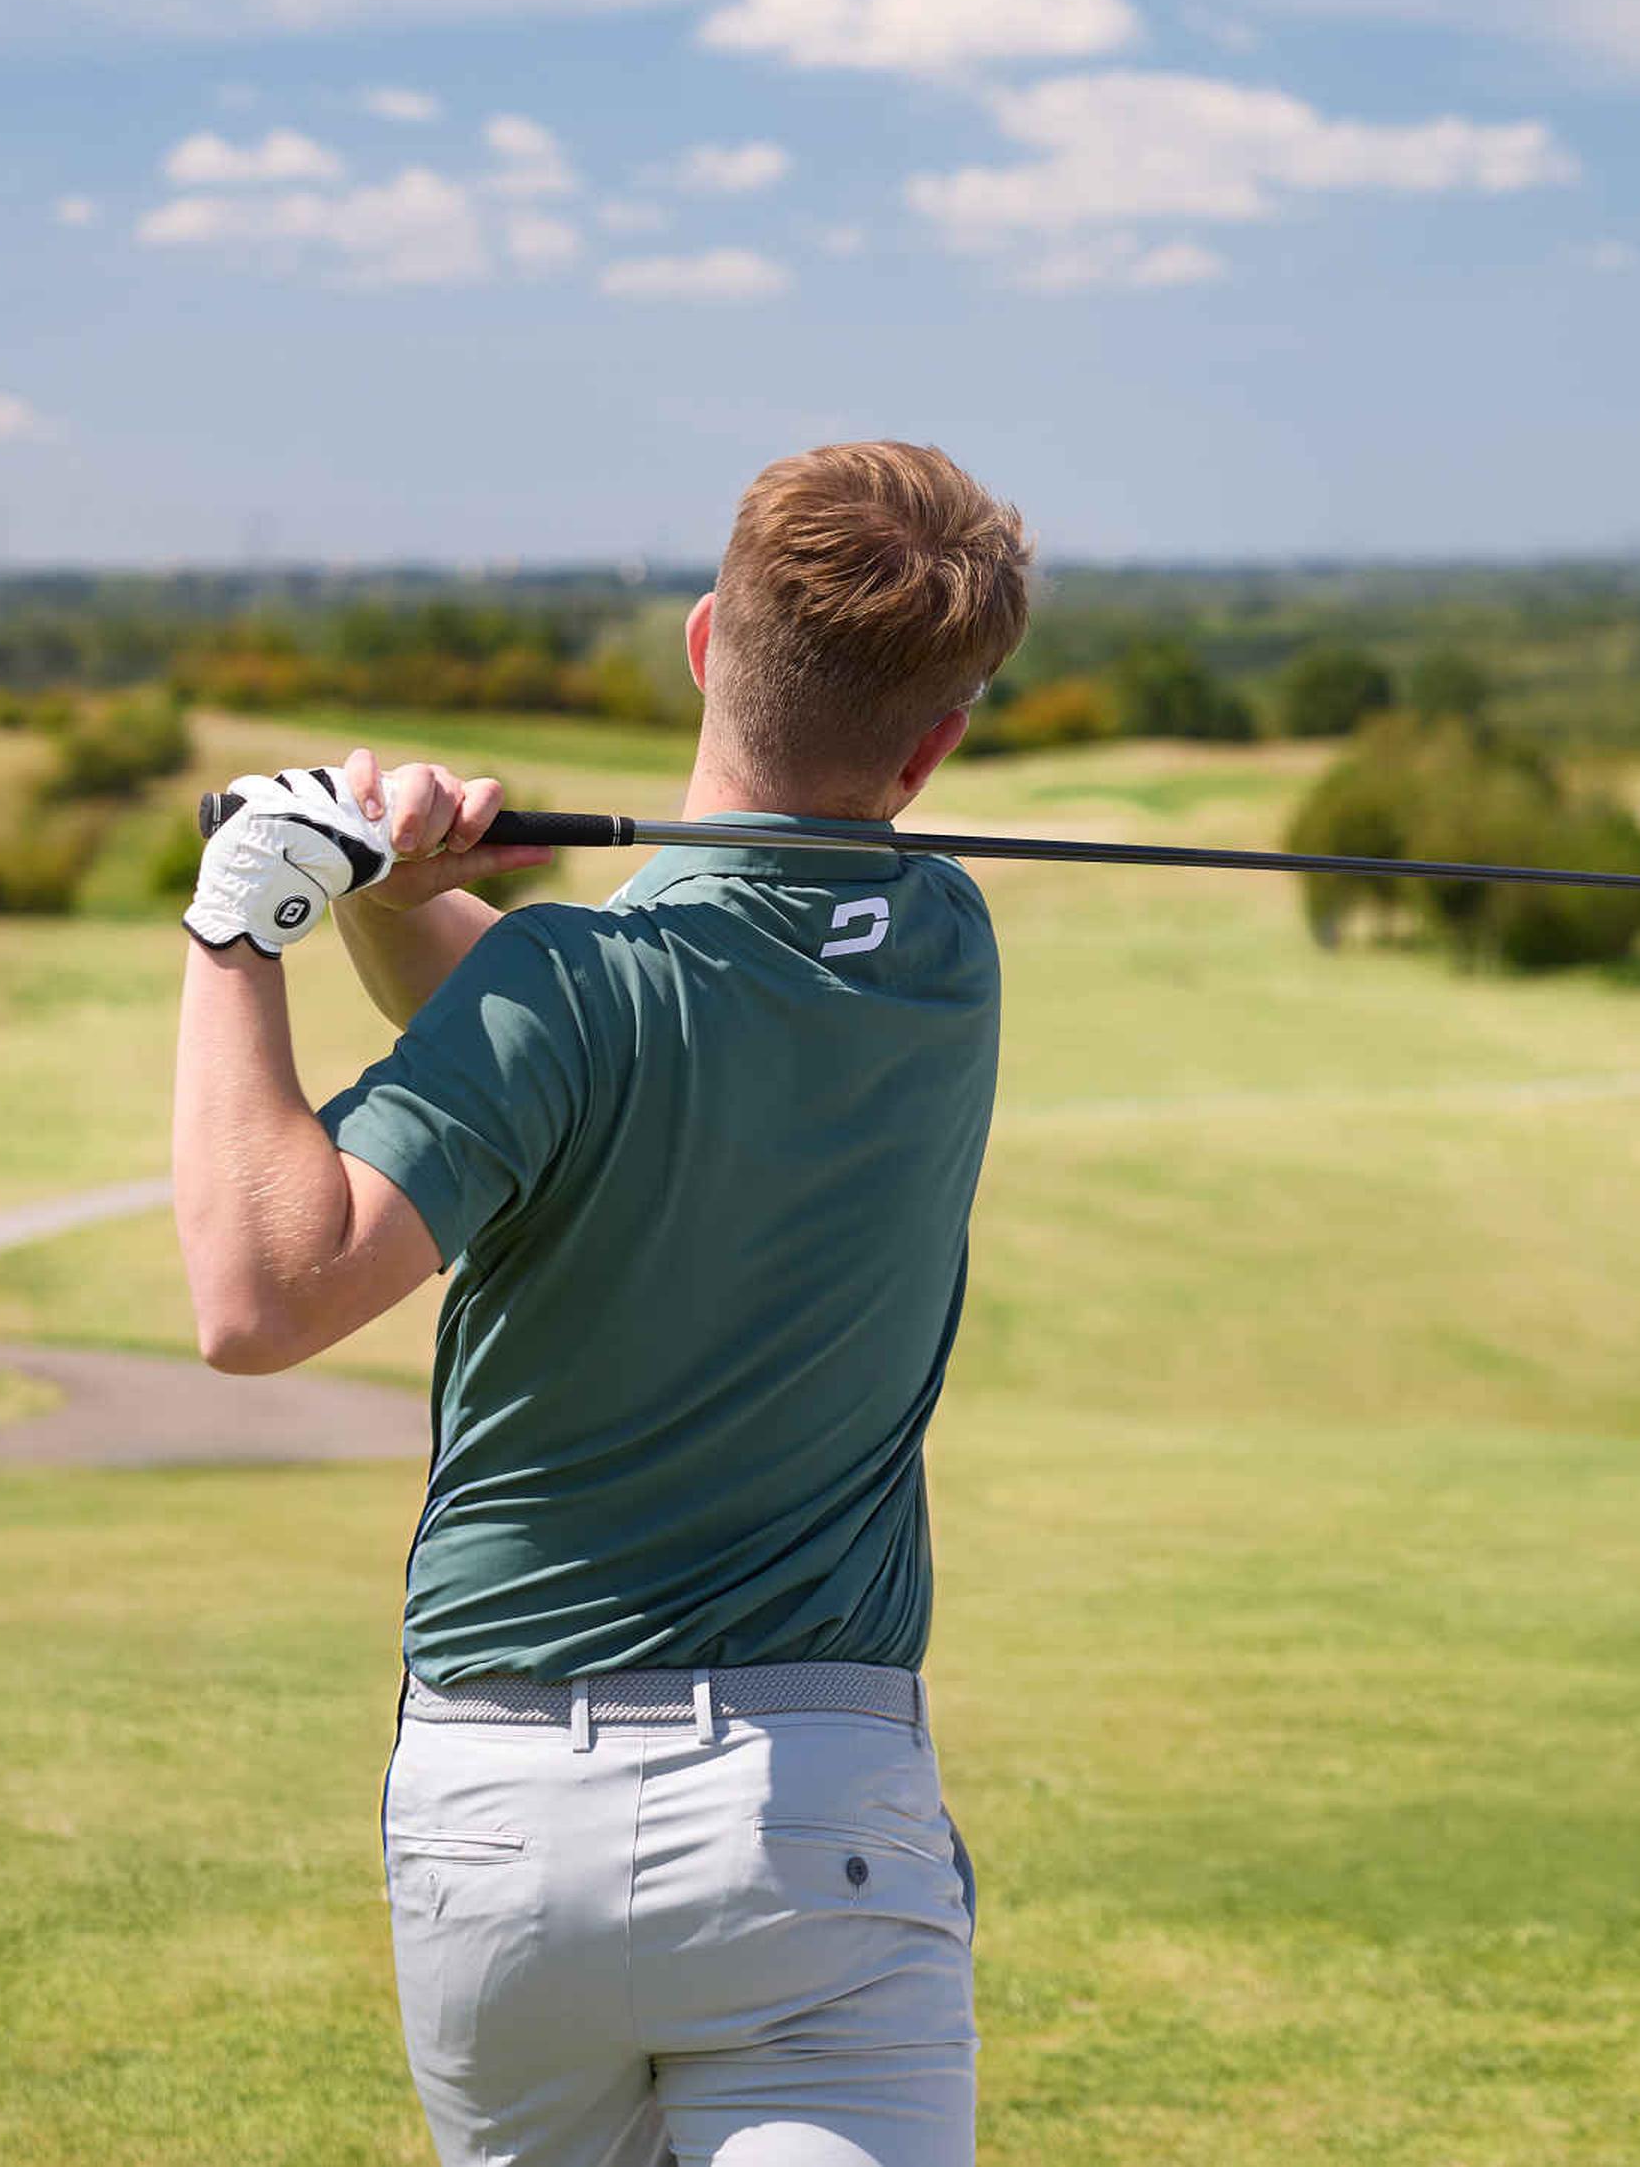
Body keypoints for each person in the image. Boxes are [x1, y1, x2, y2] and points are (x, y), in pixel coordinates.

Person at [167, 441, 1033, 2167]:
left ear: (709, 641)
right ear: (935, 745)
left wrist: (244, 926)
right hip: (818, 1830)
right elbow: (588, 1013)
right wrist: (410, 909)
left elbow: (260, 1292)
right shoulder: (946, 946)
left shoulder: (569, 993)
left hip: (506, 1834)